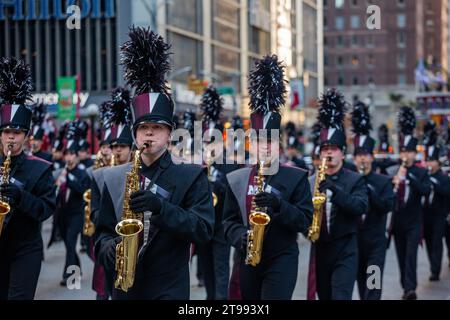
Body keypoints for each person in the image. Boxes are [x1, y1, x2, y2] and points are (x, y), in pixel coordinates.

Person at [94, 27, 215, 300]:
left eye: (156, 128)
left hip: (168, 288)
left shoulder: (192, 176)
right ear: (135, 134)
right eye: (143, 128)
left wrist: (161, 208)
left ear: (169, 134)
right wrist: (109, 249)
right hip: (125, 287)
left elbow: (203, 229)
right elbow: (100, 234)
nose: (149, 133)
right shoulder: (112, 177)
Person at [223, 55, 313, 300]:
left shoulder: (296, 178)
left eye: (270, 141)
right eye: (260, 141)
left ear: (279, 144)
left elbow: (305, 222)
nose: (265, 147)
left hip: (281, 258)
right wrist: (238, 237)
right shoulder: (238, 178)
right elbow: (228, 222)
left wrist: (279, 205)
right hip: (248, 257)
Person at [0, 57, 56, 300]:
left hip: (26, 249)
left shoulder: (39, 168)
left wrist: (21, 197)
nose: (11, 138)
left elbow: (46, 210)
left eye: (17, 132)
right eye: (7, 132)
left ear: (25, 136)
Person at [308, 89, 368, 300]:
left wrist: (333, 189)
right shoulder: (311, 180)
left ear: (342, 152)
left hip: (346, 249)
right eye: (325, 149)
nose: (329, 153)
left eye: (334, 149)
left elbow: (360, 207)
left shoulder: (354, 179)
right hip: (321, 248)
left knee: (341, 296)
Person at [387, 106, 431, 300]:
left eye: (409, 152)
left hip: (414, 220)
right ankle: (405, 285)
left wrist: (410, 178)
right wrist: (394, 181)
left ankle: (410, 288)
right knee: (401, 255)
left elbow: (426, 190)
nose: (406, 155)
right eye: (403, 151)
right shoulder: (393, 170)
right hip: (398, 221)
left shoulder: (421, 172)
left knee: (411, 255)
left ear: (415, 153)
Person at [351, 101, 394, 300]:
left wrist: (369, 191)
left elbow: (388, 205)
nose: (362, 159)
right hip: (354, 242)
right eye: (359, 155)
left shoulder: (383, 181)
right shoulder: (349, 180)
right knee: (361, 283)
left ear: (372, 157)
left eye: (366, 155)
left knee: (373, 284)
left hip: (376, 243)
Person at [55, 123, 90, 286]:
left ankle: (68, 277)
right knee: (69, 246)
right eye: (66, 154)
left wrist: (68, 179)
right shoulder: (62, 171)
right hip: (63, 214)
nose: (68, 157)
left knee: (70, 243)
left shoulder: (81, 173)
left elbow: (83, 190)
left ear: (76, 156)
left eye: (71, 154)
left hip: (77, 214)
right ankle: (78, 270)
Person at [422, 121, 450, 281]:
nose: (429, 164)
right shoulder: (424, 176)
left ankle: (435, 270)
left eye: (432, 161)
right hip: (426, 214)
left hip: (440, 214)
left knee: (437, 242)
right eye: (428, 160)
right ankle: (433, 264)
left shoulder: (442, 177)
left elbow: (446, 191)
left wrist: (433, 182)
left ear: (438, 163)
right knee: (429, 241)